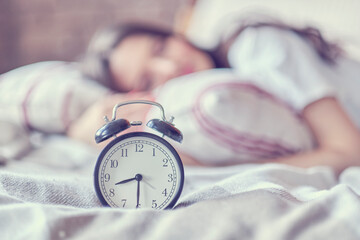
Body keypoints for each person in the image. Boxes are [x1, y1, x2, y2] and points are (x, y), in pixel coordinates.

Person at [66, 20, 360, 176]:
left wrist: (215, 173)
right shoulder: (206, 114)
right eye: (148, 80)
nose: (170, 67)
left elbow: (348, 151)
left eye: (160, 49)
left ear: (175, 35)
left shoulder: (257, 47)